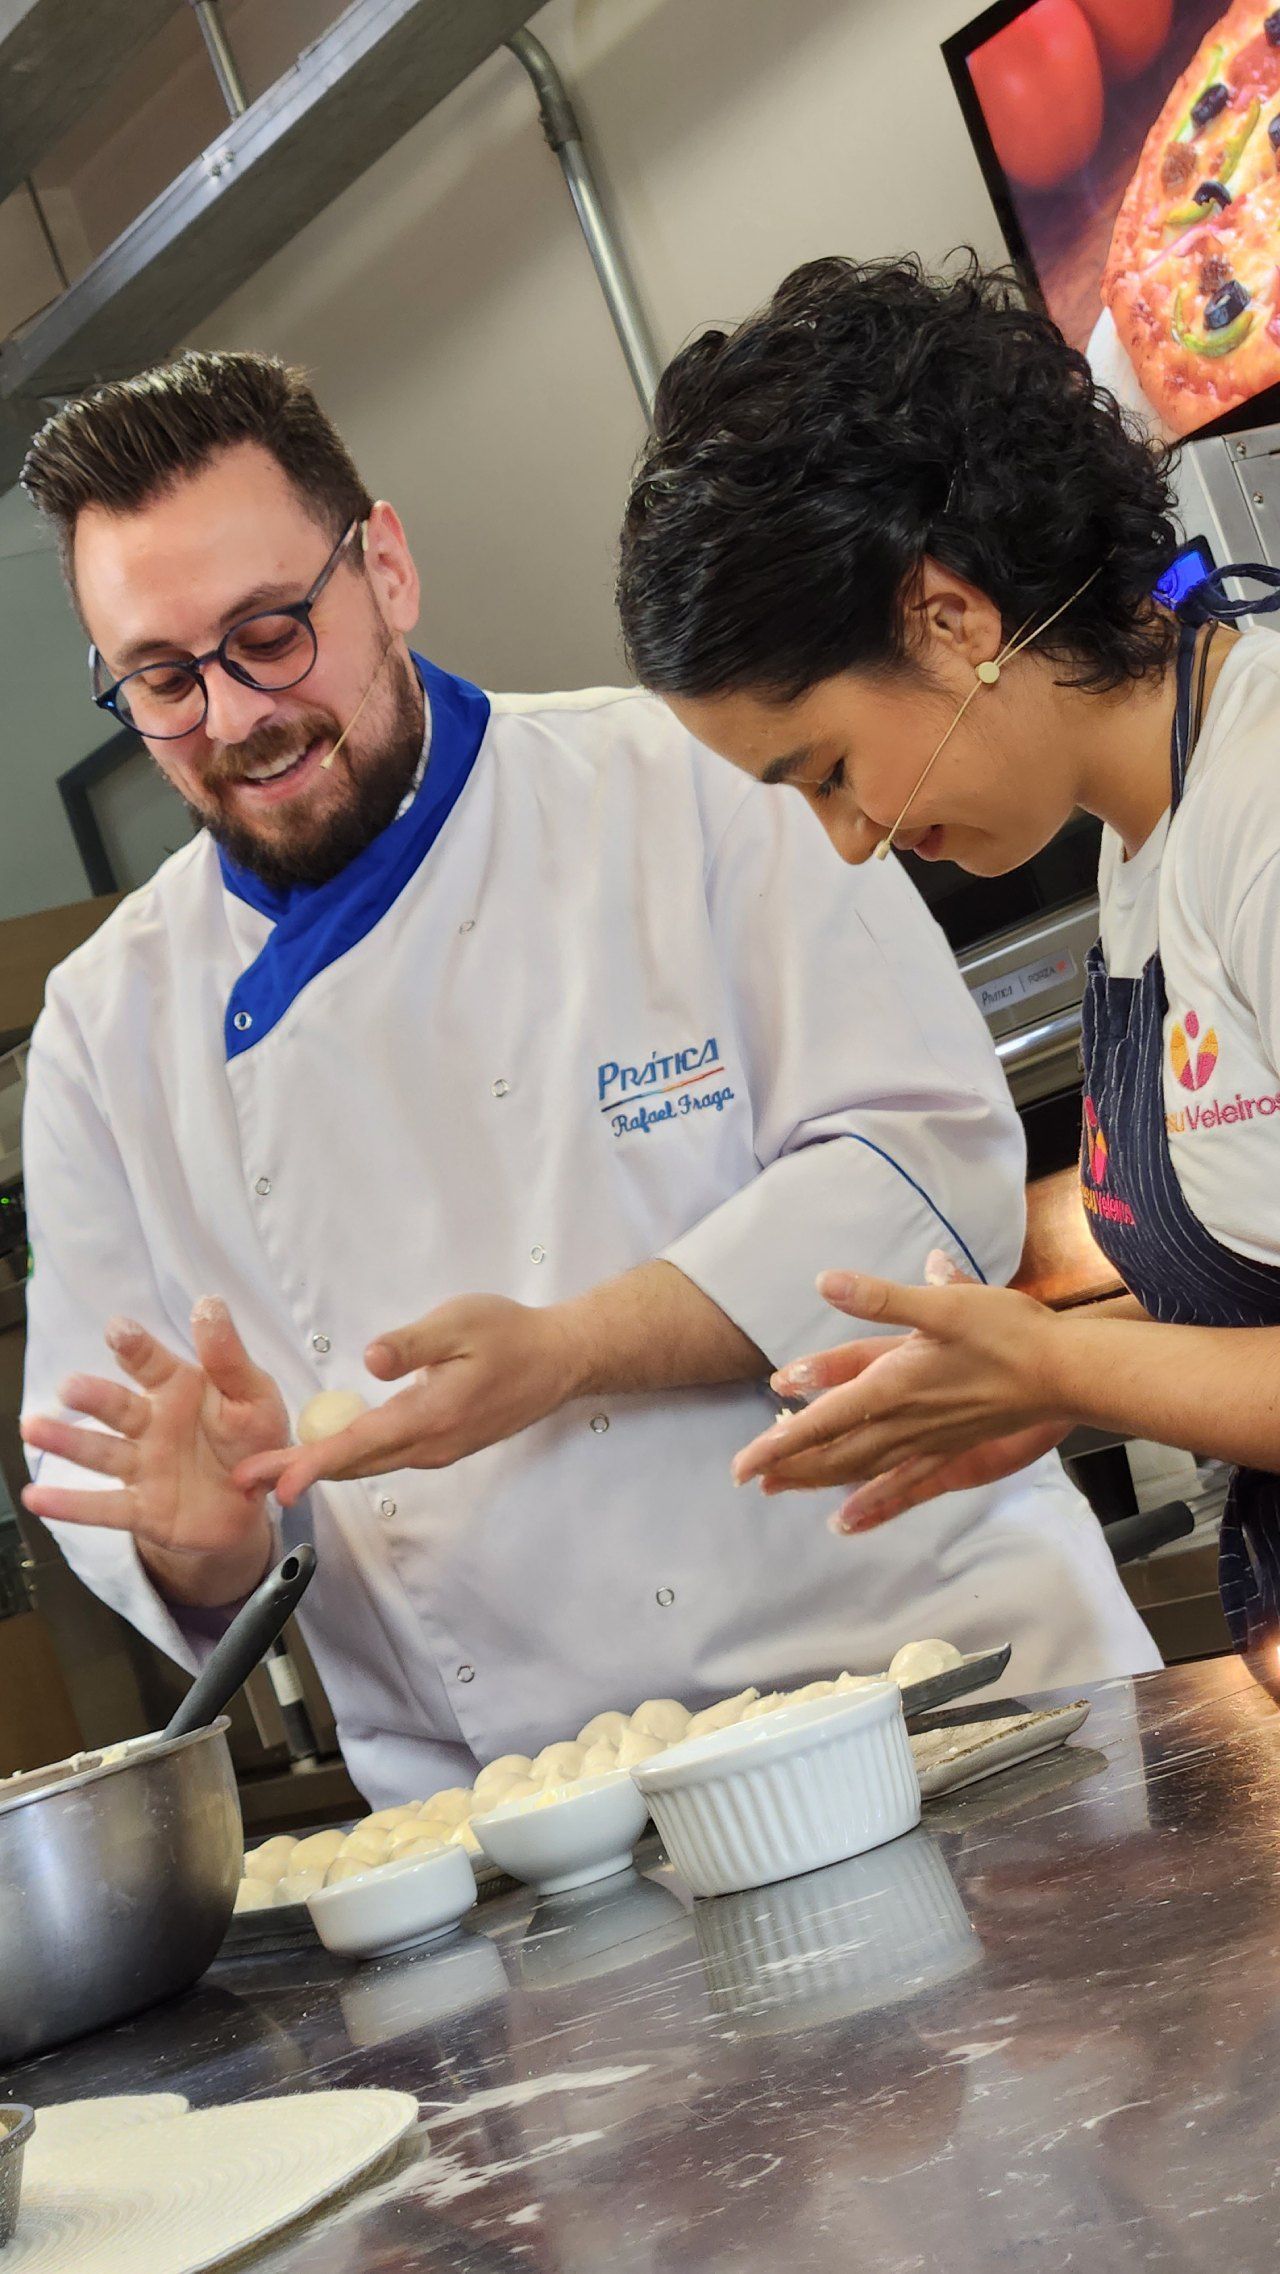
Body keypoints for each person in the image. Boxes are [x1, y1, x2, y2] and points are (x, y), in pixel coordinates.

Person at [16, 351, 1156, 1804]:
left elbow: (928, 1178)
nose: (236, 717)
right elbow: (127, 1470)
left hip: (947, 1700)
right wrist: (202, 1537)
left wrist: (569, 1349)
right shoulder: (104, 1036)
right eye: (166, 681)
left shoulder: (688, 784)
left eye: (270, 635)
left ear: (386, 568)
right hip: (533, 1827)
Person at [615, 251, 1280, 1657]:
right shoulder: (1139, 840)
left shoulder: (1267, 805)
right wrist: (1058, 1386)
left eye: (833, 769)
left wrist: (1063, 1354)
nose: (850, 839)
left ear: (952, 618)